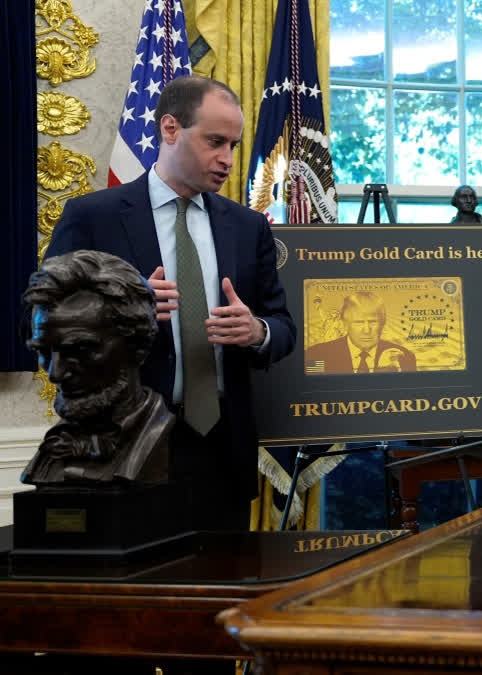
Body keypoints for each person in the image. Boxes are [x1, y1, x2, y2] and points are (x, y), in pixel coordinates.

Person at [44, 75, 296, 529]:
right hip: (125, 447)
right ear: (170, 129)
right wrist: (118, 306)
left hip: (223, 451)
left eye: (234, 145)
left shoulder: (247, 226)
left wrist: (257, 330)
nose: (227, 159)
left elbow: (283, 327)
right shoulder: (93, 218)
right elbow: (44, 320)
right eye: (215, 141)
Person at [22, 250, 174, 485]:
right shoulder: (51, 450)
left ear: (137, 345)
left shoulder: (159, 437)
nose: (55, 374)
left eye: (80, 351)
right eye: (43, 351)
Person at [305, 291, 416, 373]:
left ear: (382, 324)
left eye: (373, 322)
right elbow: (315, 388)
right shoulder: (317, 355)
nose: (367, 330)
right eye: (358, 322)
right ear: (345, 324)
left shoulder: (405, 357)